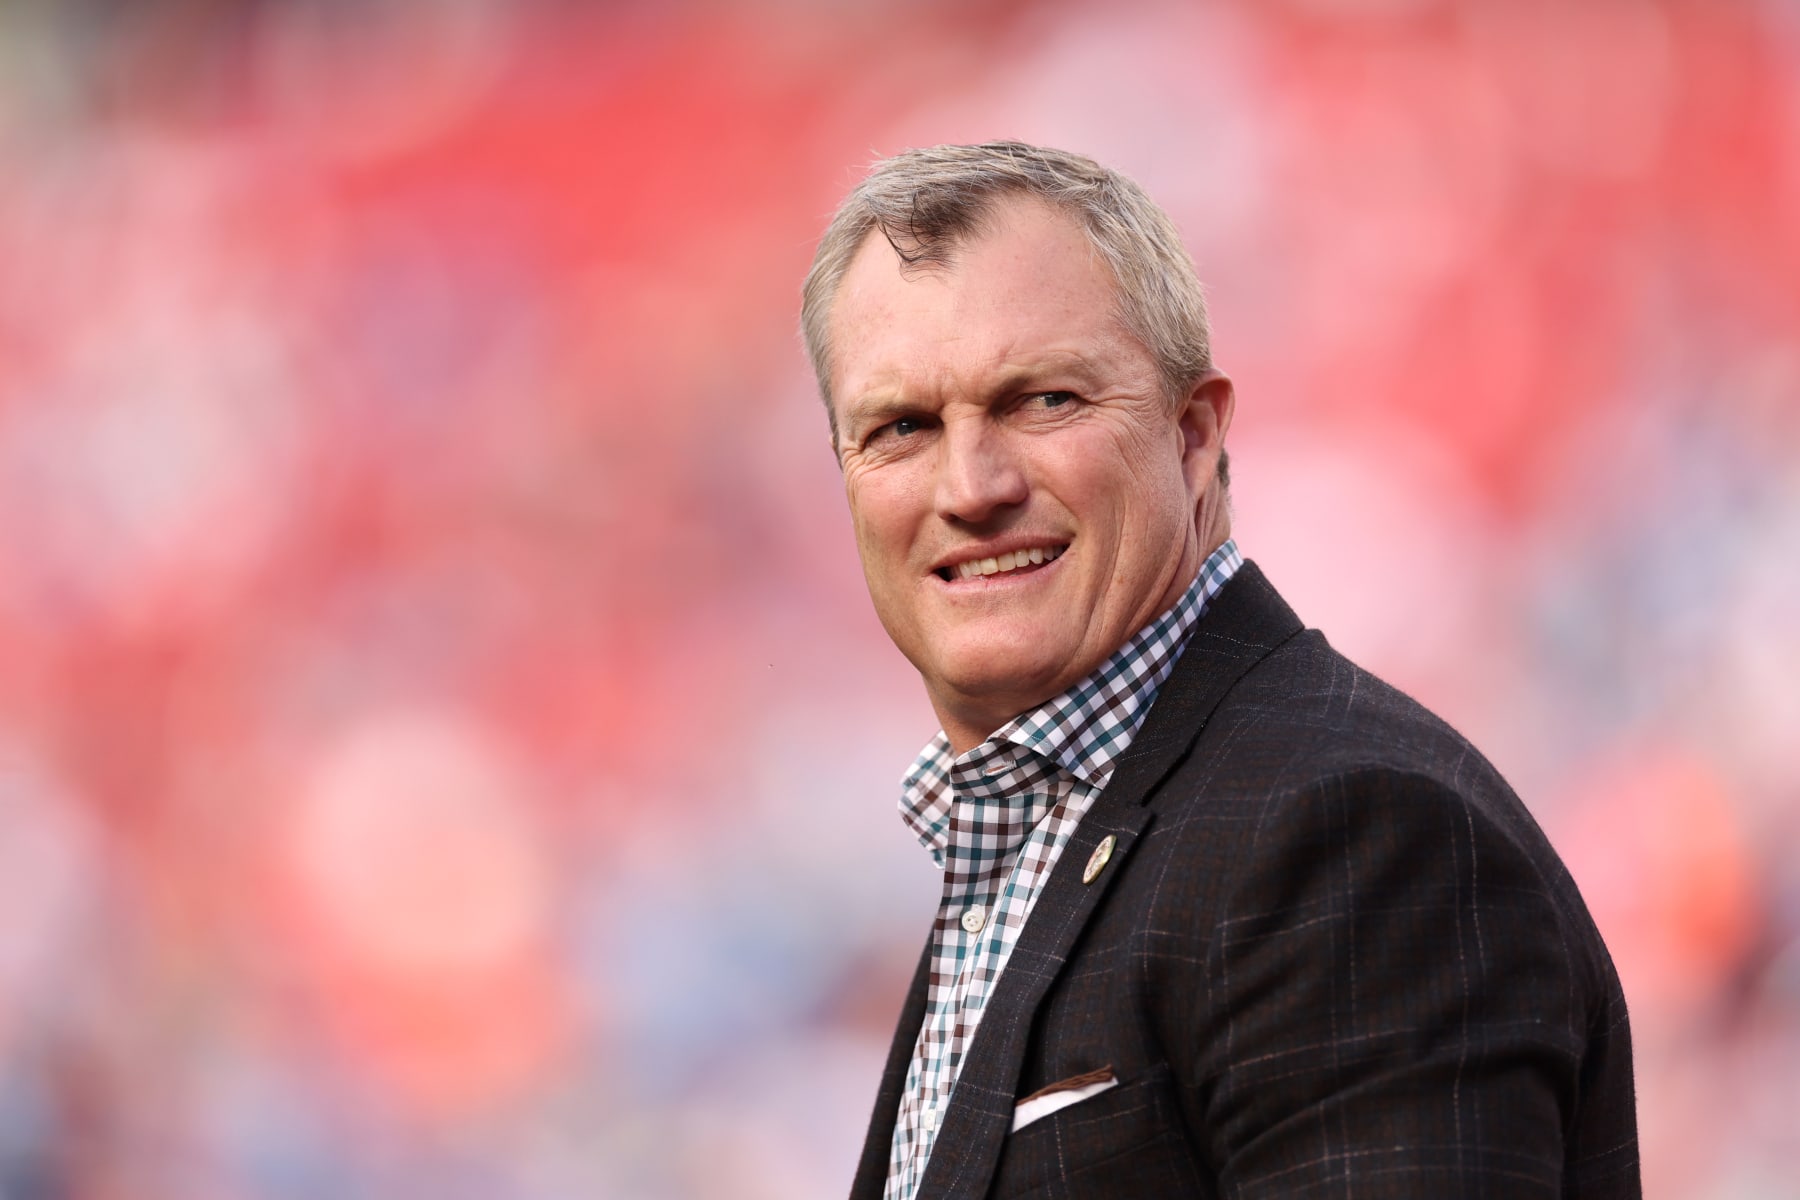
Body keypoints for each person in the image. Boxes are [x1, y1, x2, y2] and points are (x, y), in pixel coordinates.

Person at [800, 142, 1639, 1200]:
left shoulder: (1346, 833)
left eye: (1043, 401)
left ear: (1193, 436)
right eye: (902, 427)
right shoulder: (1048, 836)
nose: (971, 486)